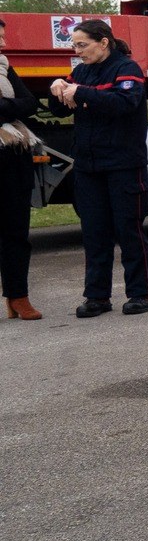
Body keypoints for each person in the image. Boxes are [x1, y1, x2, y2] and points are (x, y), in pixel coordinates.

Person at [47, 18, 148, 317]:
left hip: (123, 165)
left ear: (103, 42)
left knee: (128, 230)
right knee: (94, 233)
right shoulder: (81, 72)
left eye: (82, 45)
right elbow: (59, 108)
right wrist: (56, 88)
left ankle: (141, 293)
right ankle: (97, 297)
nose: (78, 51)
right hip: (88, 167)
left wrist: (80, 93)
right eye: (74, 46)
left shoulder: (126, 69)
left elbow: (125, 103)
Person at [0, 17, 43, 320]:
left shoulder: (4, 66)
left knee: (16, 232)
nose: (3, 43)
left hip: (12, 158)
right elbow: (21, 105)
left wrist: (4, 107)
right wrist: (10, 107)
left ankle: (18, 296)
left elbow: (30, 103)